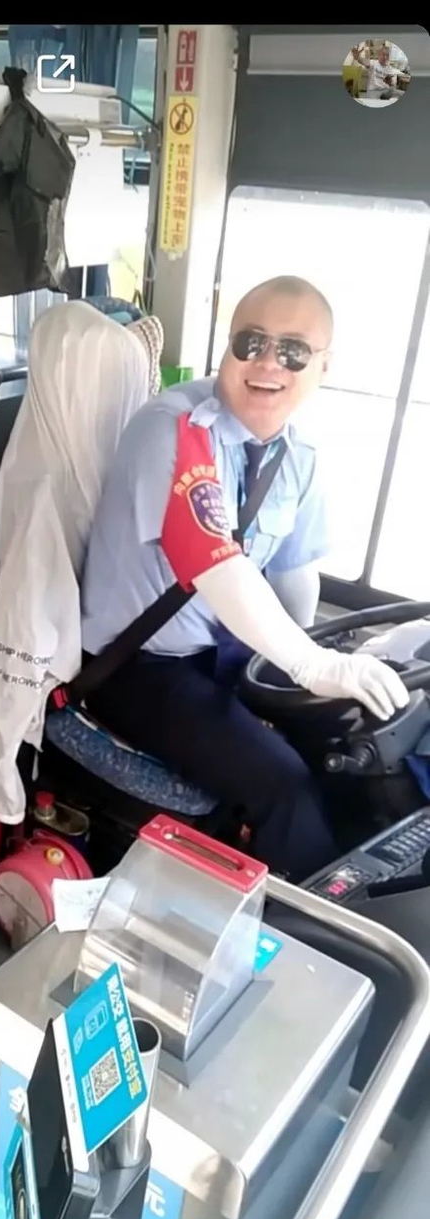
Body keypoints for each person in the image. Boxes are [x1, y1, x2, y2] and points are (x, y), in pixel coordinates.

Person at [81, 276, 409, 881]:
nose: (267, 364)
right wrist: (311, 666)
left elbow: (293, 580)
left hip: (228, 653)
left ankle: (369, 884)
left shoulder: (297, 457)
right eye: (250, 342)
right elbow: (216, 564)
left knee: (356, 741)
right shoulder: (174, 429)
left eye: (293, 351)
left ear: (324, 366)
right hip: (139, 666)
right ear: (227, 347)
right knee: (282, 784)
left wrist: (309, 672)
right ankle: (314, 928)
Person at [0, 300, 163, 824]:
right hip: (92, 676)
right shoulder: (52, 491)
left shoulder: (42, 457)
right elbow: (23, 633)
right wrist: (0, 770)